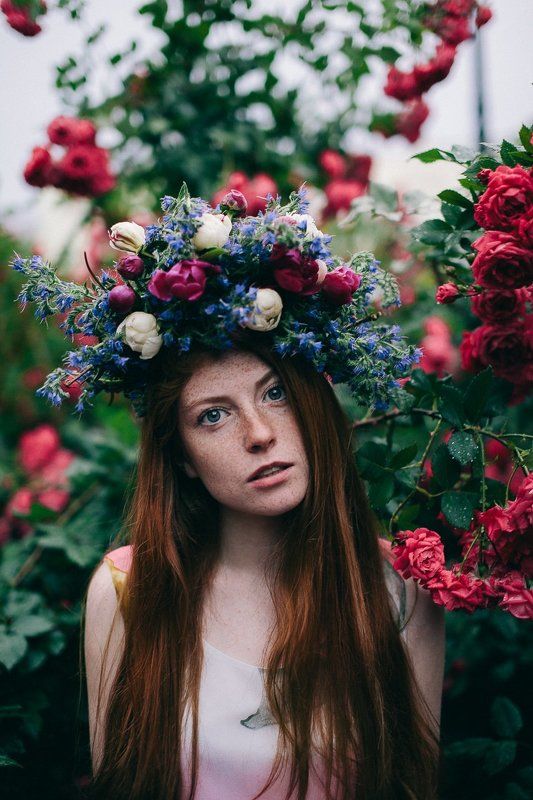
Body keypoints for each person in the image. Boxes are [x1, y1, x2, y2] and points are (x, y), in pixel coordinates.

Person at [15, 185, 445, 798]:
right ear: (183, 458)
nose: (261, 434)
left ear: (315, 403)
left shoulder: (397, 590)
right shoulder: (129, 593)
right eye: (213, 416)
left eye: (275, 393)